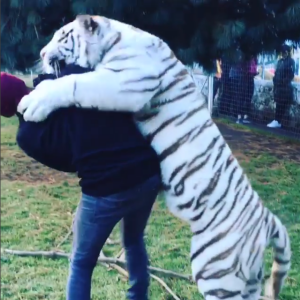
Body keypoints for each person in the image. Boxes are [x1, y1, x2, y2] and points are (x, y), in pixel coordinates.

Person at [1, 68, 161, 300]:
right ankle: (138, 296)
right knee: (134, 238)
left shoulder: (27, 135)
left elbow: (67, 163)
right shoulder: (67, 82)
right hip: (147, 171)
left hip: (106, 187)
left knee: (81, 262)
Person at [267, 45, 295, 128]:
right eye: (282, 52)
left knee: (282, 105)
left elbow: (291, 74)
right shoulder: (280, 62)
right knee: (279, 104)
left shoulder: (290, 61)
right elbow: (276, 73)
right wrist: (275, 80)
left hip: (285, 88)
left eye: (284, 52)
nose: (283, 54)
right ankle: (277, 121)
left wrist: (283, 82)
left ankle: (278, 121)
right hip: (278, 87)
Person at [240, 56, 258, 124]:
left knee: (249, 97)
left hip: (250, 78)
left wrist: (254, 73)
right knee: (244, 97)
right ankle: (242, 115)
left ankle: (246, 116)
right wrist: (247, 73)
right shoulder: (246, 57)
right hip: (245, 78)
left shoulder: (254, 58)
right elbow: (242, 67)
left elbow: (254, 68)